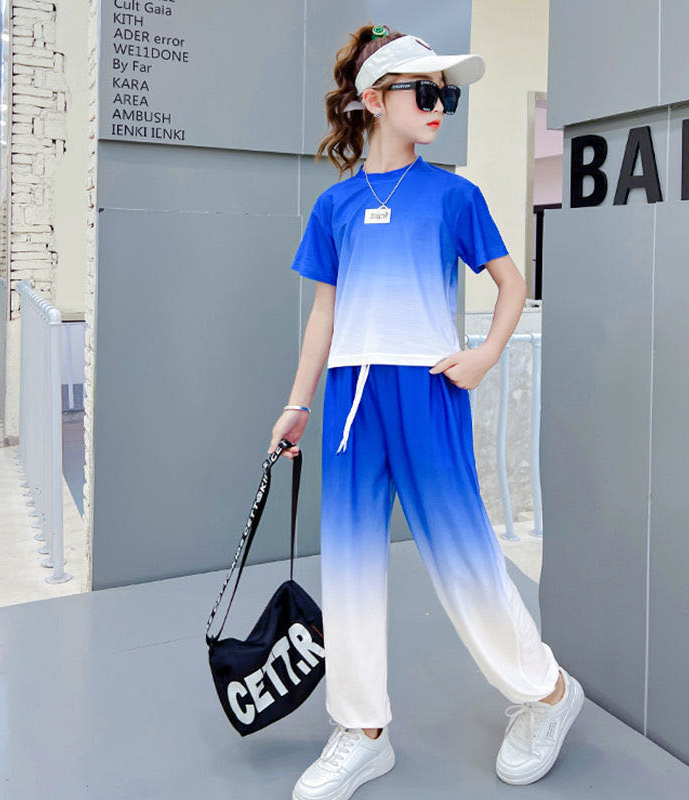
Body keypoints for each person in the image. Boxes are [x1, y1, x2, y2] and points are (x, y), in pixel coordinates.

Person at [268, 23, 584, 800]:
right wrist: (298, 402)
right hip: (350, 400)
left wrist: (484, 356)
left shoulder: (453, 196)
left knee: (462, 556)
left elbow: (511, 284)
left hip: (429, 390)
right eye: (425, 91)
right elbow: (323, 314)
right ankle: (362, 731)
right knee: (349, 568)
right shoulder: (336, 205)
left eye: (447, 95)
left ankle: (547, 693)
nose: (441, 106)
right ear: (375, 100)